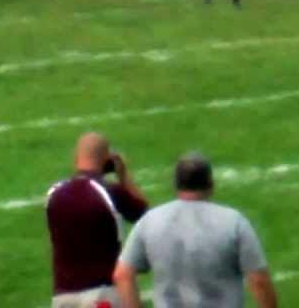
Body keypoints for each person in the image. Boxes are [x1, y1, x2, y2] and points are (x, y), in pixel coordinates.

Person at [113, 152, 279, 308]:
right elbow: (259, 281)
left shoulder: (150, 221)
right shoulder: (234, 222)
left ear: (176, 185)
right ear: (211, 184)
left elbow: (123, 275)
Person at [46, 132, 148, 308]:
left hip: (63, 297)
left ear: (76, 157)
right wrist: (124, 176)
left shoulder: (55, 194)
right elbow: (145, 216)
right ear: (107, 160)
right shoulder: (110, 192)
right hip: (102, 294)